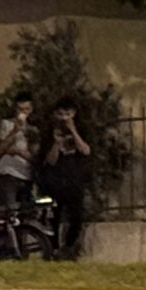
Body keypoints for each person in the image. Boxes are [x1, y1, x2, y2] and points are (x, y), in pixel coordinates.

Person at [42, 103, 93, 259]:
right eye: (61, 113)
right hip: (54, 183)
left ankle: (68, 247)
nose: (64, 117)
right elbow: (49, 161)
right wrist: (57, 143)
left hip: (74, 182)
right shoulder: (49, 132)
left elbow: (85, 150)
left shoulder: (82, 129)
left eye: (68, 113)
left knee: (77, 218)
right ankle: (53, 251)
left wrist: (73, 130)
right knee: (53, 219)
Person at [0, 95, 35, 216]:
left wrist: (18, 151)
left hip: (26, 175)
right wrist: (14, 131)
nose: (22, 113)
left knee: (26, 214)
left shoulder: (32, 130)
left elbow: (35, 157)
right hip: (8, 173)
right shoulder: (5, 124)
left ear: (31, 110)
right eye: (19, 109)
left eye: (25, 109)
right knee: (10, 212)